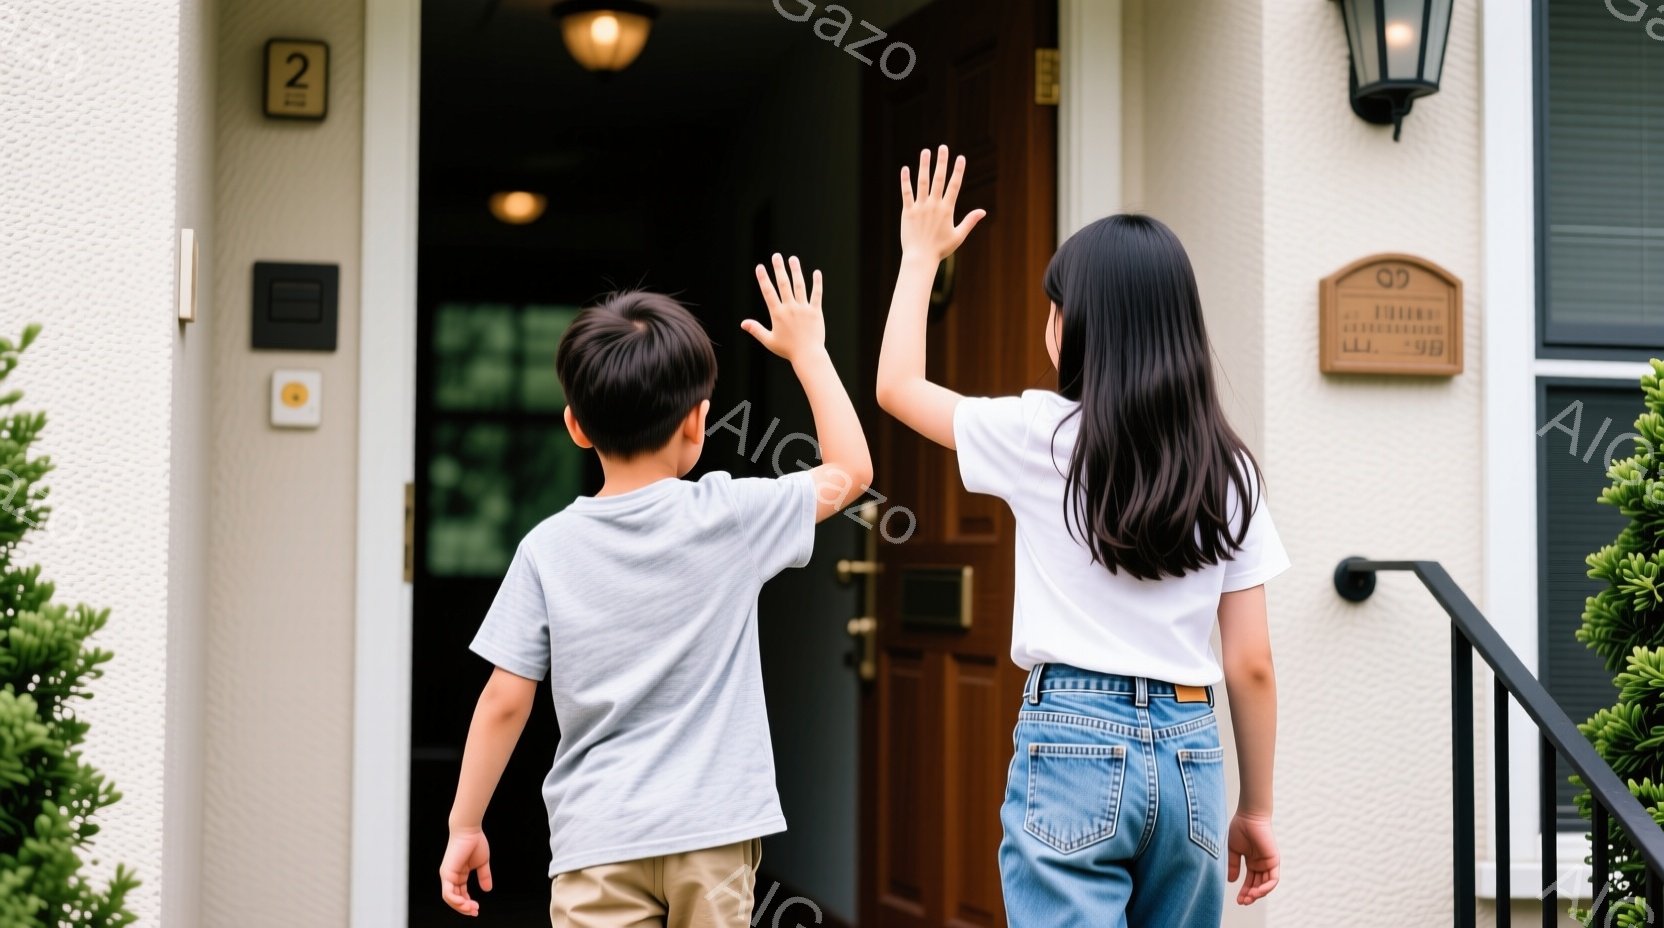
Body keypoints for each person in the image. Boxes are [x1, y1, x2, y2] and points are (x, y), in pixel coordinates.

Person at [875, 146, 1287, 927]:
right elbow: (1252, 663)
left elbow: (896, 386)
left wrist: (920, 256)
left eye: (1052, 308)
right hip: (1194, 752)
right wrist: (1256, 808)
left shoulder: (1041, 433)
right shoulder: (1231, 470)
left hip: (1072, 737)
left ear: (1073, 326)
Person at [438, 261, 872, 928]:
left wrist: (465, 823)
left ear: (575, 426)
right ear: (698, 424)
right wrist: (808, 352)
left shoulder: (546, 549)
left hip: (599, 836)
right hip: (714, 829)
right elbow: (850, 472)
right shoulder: (730, 516)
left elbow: (504, 700)